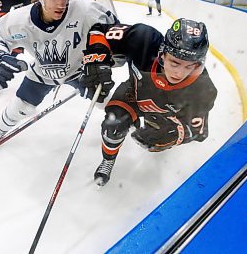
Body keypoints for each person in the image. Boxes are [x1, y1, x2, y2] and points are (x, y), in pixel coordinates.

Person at [0, 0, 119, 147]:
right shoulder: (20, 20)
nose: (61, 4)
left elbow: (118, 36)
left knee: (112, 103)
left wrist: (105, 60)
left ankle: (132, 126)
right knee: (20, 107)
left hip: (81, 72)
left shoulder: (86, 10)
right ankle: (2, 127)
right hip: (43, 73)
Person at [79, 18, 217, 186]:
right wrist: (97, 57)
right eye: (175, 62)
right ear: (162, 53)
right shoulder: (142, 39)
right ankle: (108, 160)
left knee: (158, 141)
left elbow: (199, 132)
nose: (180, 73)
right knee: (112, 126)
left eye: (191, 67)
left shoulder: (203, 89)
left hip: (164, 115)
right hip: (133, 95)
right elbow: (98, 30)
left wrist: (173, 135)